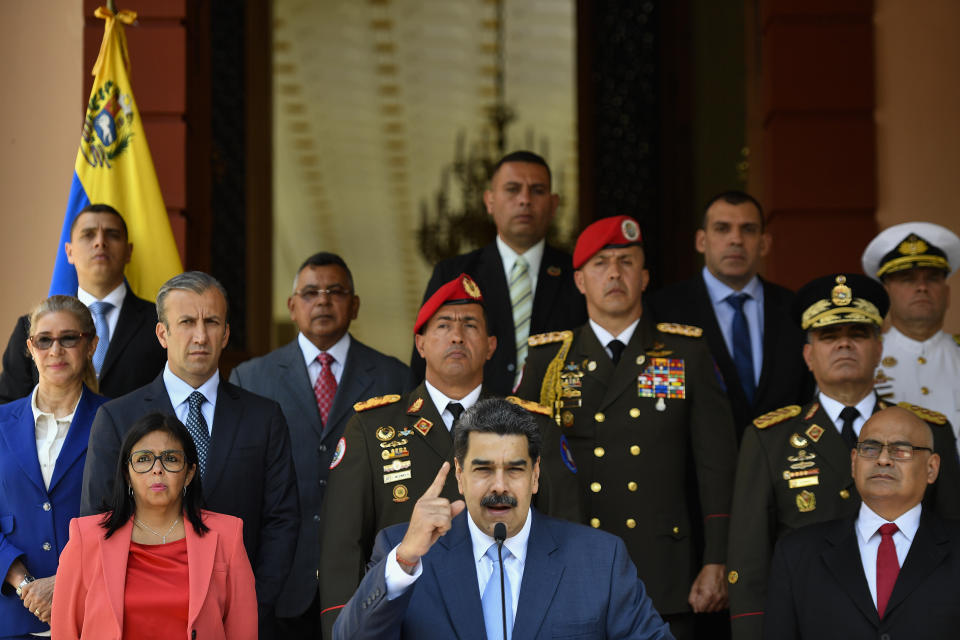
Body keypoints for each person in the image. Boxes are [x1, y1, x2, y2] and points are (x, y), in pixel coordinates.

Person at [516, 215, 739, 640]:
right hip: (569, 564)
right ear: (580, 281)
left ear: (645, 277)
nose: (614, 273)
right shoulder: (549, 360)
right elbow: (523, 466)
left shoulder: (684, 352)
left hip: (662, 569)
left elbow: (717, 466)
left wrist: (718, 559)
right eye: (601, 264)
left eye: (626, 261)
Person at [318, 273, 577, 638]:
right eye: (443, 325)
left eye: (470, 325)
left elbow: (565, 536)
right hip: (407, 624)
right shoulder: (372, 427)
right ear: (420, 343)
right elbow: (341, 549)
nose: (457, 335)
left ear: (490, 345)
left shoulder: (531, 425)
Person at [726, 273, 960, 640]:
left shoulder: (928, 432)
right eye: (829, 337)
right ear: (808, 354)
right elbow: (749, 562)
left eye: (858, 334)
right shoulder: (770, 438)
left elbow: (950, 536)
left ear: (880, 349)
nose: (844, 345)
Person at [333, 398, 674, 640]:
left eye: (514, 469)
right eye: (483, 469)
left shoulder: (600, 559)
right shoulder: (403, 551)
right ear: (460, 476)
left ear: (536, 476)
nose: (499, 486)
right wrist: (406, 560)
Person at [79, 271, 299, 640]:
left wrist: (248, 607)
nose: (200, 336)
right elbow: (99, 520)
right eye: (186, 322)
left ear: (226, 333)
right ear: (162, 334)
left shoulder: (264, 417)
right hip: (141, 621)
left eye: (211, 322)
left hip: (241, 621)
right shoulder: (117, 418)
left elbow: (282, 521)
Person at [230, 251, 413, 636]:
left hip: (366, 573)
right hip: (279, 577)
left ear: (355, 304)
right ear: (292, 306)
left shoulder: (393, 377)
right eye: (311, 292)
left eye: (336, 291)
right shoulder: (251, 377)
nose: (323, 300)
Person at [52, 412, 258, 639]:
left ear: (189, 473)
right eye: (143, 459)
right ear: (127, 474)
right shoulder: (86, 537)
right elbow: (65, 631)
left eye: (170, 458)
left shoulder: (228, 535)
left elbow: (243, 631)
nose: (157, 469)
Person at [763, 406, 960, 638]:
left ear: (931, 468)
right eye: (870, 448)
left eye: (901, 449)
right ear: (854, 463)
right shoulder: (797, 554)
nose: (883, 459)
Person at [412, 150, 586, 395]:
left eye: (537, 190)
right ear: (490, 201)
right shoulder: (453, 273)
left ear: (553, 203)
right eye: (512, 189)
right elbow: (424, 363)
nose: (525, 199)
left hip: (557, 422)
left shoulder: (578, 276)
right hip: (473, 422)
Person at [650, 191, 812, 438]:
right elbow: (659, 405)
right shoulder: (661, 311)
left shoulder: (796, 310)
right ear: (701, 241)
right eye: (722, 228)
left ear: (764, 243)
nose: (736, 239)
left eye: (748, 229)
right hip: (698, 471)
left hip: (785, 466)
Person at [0, 296, 108, 637]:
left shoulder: (118, 420)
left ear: (90, 344)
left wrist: (64, 584)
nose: (55, 350)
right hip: (10, 616)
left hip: (92, 613)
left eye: (69, 338)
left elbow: (130, 516)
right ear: (30, 347)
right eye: (44, 340)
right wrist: (24, 584)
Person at [0, 204, 166, 402]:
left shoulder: (160, 322)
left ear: (129, 251)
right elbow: (8, 409)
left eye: (112, 235)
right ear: (69, 252)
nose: (100, 242)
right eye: (88, 235)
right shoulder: (31, 328)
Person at [861, 221, 960, 445]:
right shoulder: (863, 358)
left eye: (932, 278)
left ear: (947, 294)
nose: (922, 287)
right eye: (908, 279)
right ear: (885, 294)